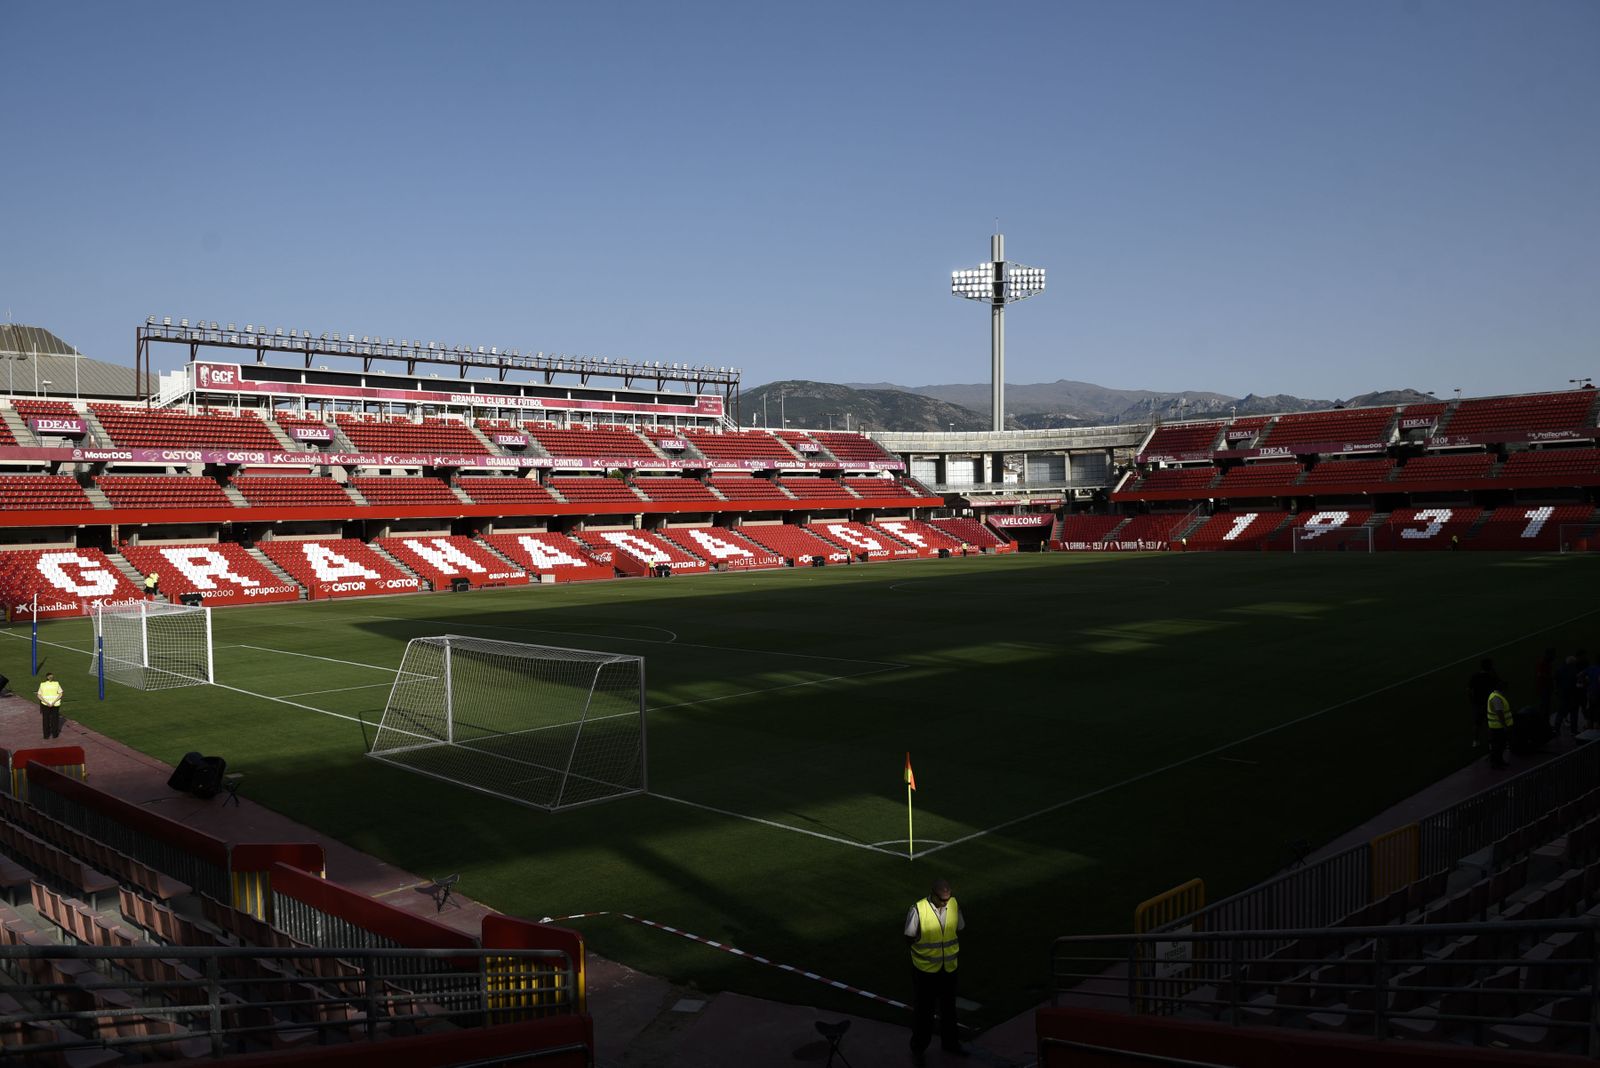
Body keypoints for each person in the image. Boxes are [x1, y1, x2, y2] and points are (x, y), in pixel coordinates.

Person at [906, 877, 966, 1064]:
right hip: (925, 972)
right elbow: (909, 936)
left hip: (948, 969)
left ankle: (951, 1043)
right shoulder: (918, 909)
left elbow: (960, 927)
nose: (945, 903)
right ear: (932, 895)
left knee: (949, 1009)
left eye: (948, 899)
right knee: (924, 1012)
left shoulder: (954, 904)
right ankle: (919, 1048)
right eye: (942, 899)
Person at [1467, 658, 1501, 749]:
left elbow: (1470, 690)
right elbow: (1499, 685)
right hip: (1488, 704)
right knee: (1490, 724)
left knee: (1477, 724)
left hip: (1478, 704)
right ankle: (1490, 743)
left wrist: (1472, 702)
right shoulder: (1490, 678)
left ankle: (1475, 741)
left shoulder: (1475, 676)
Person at [1486, 686, 1513, 770]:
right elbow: (1499, 713)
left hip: (1496, 726)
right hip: (1497, 727)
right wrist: (1504, 725)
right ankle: (1496, 763)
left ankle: (1498, 761)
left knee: (1499, 746)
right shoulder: (1497, 698)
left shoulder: (1494, 696)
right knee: (1498, 746)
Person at [37, 672, 64, 740]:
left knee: (46, 720)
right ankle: (55, 734)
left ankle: (46, 735)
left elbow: (39, 695)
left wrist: (46, 702)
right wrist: (54, 701)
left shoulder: (42, 684)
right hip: (55, 704)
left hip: (45, 704)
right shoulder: (56, 683)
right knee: (54, 719)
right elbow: (61, 694)